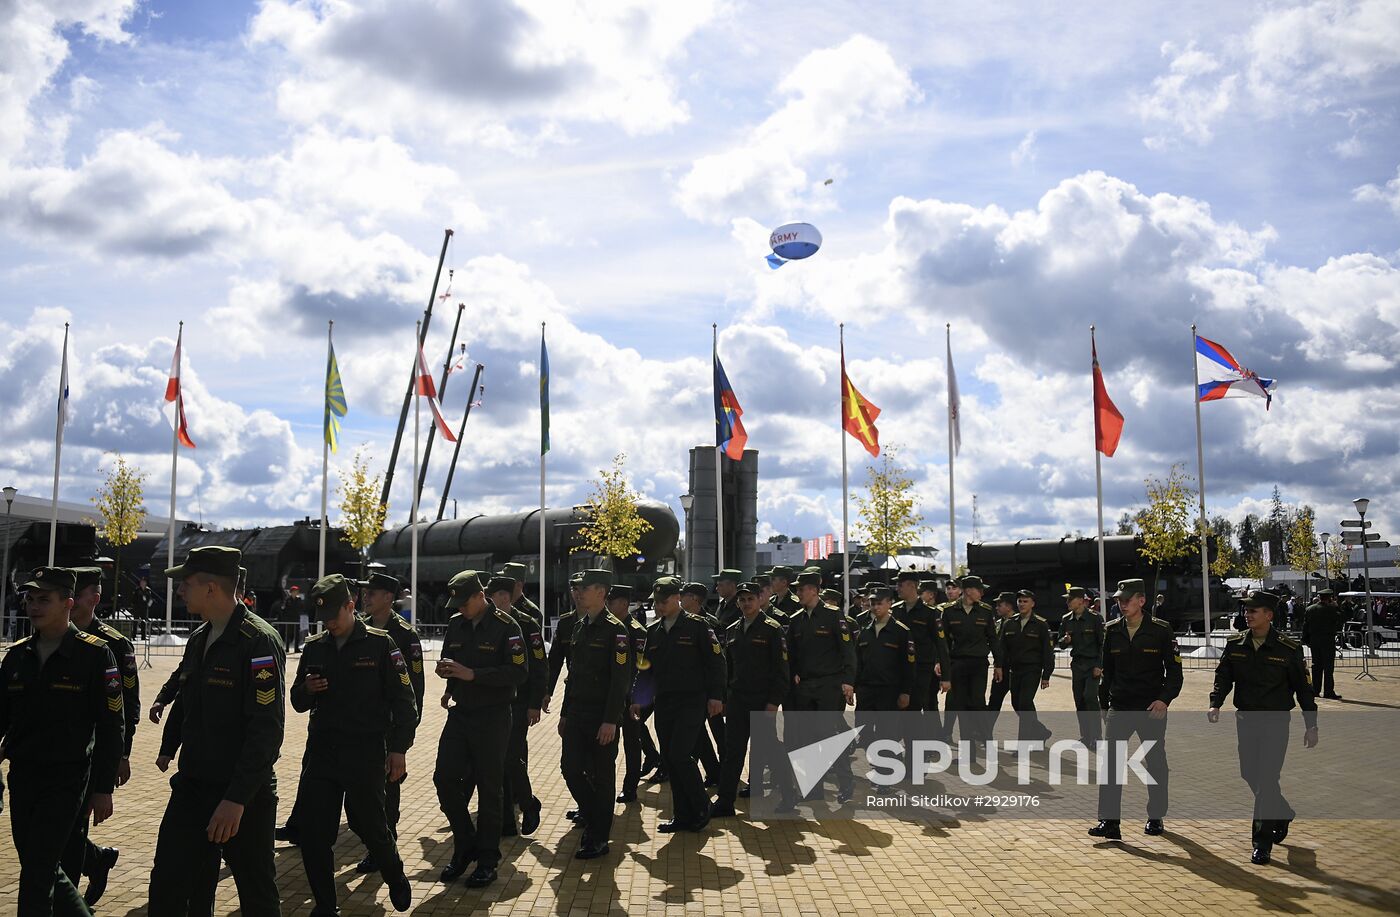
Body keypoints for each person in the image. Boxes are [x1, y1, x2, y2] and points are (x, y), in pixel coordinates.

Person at [148, 546, 286, 916]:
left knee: (256, 892)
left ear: (211, 588)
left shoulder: (258, 642)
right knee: (169, 886)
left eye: (186, 584)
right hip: (193, 785)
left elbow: (266, 730)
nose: (180, 591)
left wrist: (236, 799)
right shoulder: (199, 638)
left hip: (244, 794)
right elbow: (188, 696)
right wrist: (169, 745)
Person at [1, 567, 124, 916]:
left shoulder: (95, 655)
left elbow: (111, 723)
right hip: (23, 777)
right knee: (41, 866)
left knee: (38, 872)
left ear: (68, 603)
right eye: (30, 599)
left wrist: (103, 788)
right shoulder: (18, 656)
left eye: (44, 599)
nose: (33, 606)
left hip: (67, 779)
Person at [290, 574, 414, 913]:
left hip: (365, 752)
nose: (329, 621)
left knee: (372, 827)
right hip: (322, 754)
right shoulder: (315, 646)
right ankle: (325, 906)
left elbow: (404, 700)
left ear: (350, 605)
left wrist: (399, 749)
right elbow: (296, 700)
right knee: (315, 836)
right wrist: (306, 690)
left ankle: (395, 874)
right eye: (323, 616)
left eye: (335, 613)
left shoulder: (380, 644)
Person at [1208, 590, 1319, 865]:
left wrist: (1311, 724)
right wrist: (1215, 702)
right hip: (1246, 720)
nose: (1247, 614)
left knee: (1268, 779)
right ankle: (1282, 811)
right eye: (1246, 610)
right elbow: (1224, 676)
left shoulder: (1288, 648)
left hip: (1276, 722)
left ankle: (1261, 842)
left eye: (1253, 610)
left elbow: (1304, 690)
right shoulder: (1235, 644)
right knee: (1249, 774)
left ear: (1268, 615)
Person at [433, 571, 527, 888]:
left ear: (478, 596)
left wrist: (473, 674)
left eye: (463, 603)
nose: (459, 609)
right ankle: (465, 842)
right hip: (460, 714)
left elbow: (518, 672)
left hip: (493, 716)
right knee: (444, 778)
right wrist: (449, 680)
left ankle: (486, 860)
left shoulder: (506, 626)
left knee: (489, 788)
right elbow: (453, 660)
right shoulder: (457, 624)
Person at [63, 567, 137, 907]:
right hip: (57, 748)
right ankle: (96, 859)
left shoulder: (115, 644)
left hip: (94, 752)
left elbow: (127, 706)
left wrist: (122, 755)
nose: (70, 603)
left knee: (71, 827)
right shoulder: (54, 635)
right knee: (63, 829)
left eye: (76, 596)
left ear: (93, 598)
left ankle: (66, 902)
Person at [344, 571, 426, 872]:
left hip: (389, 728)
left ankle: (384, 851)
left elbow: (415, 688)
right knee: (356, 800)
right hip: (360, 727)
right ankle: (376, 843)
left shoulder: (405, 635)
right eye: (365, 592)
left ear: (389, 598)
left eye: (372, 593)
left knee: (386, 794)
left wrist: (403, 738)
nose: (365, 597)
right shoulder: (359, 629)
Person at [1089, 578, 1183, 841]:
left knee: (1154, 762)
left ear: (1141, 601)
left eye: (1127, 599)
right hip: (1120, 707)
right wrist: (1103, 704)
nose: (1122, 604)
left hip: (1150, 708)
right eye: (1119, 600)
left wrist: (1164, 700)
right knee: (1111, 765)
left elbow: (1175, 673)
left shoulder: (1161, 630)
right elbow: (1107, 672)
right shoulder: (1112, 630)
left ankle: (1156, 815)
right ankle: (1109, 822)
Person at [632, 577, 726, 832]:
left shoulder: (698, 627)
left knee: (680, 754)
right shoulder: (654, 631)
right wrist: (638, 699)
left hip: (692, 701)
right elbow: (645, 669)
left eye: (664, 601)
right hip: (665, 702)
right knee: (671, 760)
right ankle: (683, 815)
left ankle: (702, 805)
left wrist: (716, 696)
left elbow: (716, 663)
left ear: (677, 598)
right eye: (657, 602)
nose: (659, 607)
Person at [558, 569, 630, 860]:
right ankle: (594, 816)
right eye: (576, 588)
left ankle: (599, 836)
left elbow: (620, 681)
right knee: (570, 769)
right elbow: (572, 676)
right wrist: (564, 712)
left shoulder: (617, 631)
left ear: (601, 592)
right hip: (576, 713)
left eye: (583, 588)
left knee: (602, 776)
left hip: (602, 717)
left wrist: (611, 720)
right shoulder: (579, 627)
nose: (578, 593)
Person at [711, 581, 794, 817]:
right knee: (732, 751)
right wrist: (725, 697)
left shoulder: (772, 629)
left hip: (762, 700)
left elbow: (781, 671)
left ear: (759, 600)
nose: (746, 603)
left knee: (771, 750)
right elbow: (728, 668)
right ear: (737, 602)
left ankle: (789, 796)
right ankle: (725, 801)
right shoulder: (733, 630)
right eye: (742, 599)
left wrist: (773, 702)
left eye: (750, 599)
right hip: (738, 700)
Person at [786, 569, 857, 802]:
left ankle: (846, 784)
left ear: (815, 590)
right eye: (796, 588)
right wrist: (794, 674)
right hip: (805, 687)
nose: (797, 592)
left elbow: (848, 652)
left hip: (829, 685)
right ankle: (814, 789)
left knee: (829, 737)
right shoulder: (795, 619)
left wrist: (848, 682)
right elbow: (792, 655)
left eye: (801, 588)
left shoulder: (834, 616)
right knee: (805, 739)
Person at [487, 574, 546, 837]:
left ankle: (528, 803)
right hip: (494, 703)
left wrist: (536, 702)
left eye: (498, 595)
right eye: (491, 595)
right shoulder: (487, 623)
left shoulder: (526, 624)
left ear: (507, 597)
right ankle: (507, 823)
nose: (494, 600)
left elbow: (540, 666)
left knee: (511, 757)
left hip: (520, 701)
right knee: (497, 761)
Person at [941, 576, 1003, 749]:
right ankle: (967, 749)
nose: (982, 593)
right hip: (957, 664)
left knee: (977, 702)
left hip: (978, 664)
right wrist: (942, 665)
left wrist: (999, 664)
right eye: (979, 590)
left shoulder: (985, 610)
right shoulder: (948, 611)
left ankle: (985, 738)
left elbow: (993, 639)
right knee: (960, 705)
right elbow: (943, 642)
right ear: (968, 591)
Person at [854, 586, 915, 762]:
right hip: (866, 692)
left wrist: (906, 692)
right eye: (872, 604)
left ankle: (885, 774)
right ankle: (882, 760)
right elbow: (858, 662)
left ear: (890, 603)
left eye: (879, 603)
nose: (875, 607)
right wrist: (853, 686)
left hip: (889, 692)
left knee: (886, 733)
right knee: (863, 732)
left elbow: (909, 665)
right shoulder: (865, 631)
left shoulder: (901, 631)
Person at [611, 584, 660, 803]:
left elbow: (644, 668)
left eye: (611, 602)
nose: (607, 605)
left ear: (623, 604)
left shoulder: (638, 632)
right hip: (612, 697)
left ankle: (629, 788)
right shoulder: (609, 627)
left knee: (632, 743)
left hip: (630, 698)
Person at [679, 582, 723, 787]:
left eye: (684, 596)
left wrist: (718, 693)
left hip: (708, 689)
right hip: (691, 689)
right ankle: (714, 771)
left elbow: (719, 660)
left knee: (715, 733)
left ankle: (722, 772)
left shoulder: (710, 623)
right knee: (698, 733)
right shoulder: (682, 621)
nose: (680, 599)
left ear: (694, 599)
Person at [999, 589, 1054, 742]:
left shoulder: (1041, 624)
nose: (1022, 604)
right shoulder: (1009, 623)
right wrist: (999, 667)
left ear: (1033, 604)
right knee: (1018, 703)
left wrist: (1046, 675)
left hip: (1032, 670)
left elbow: (1047, 652)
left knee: (1024, 703)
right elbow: (1002, 648)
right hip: (1014, 670)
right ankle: (1040, 732)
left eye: (1025, 601)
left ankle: (1023, 743)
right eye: (1020, 601)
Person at [1059, 586, 1105, 744]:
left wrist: (1099, 665)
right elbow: (1061, 643)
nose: (1067, 602)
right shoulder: (1066, 619)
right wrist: (1064, 641)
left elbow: (1102, 644)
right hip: (1077, 665)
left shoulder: (1095, 618)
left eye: (1070, 599)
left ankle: (1097, 736)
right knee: (1079, 700)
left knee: (1090, 697)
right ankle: (1086, 736)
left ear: (1080, 600)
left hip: (1092, 665)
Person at [1301, 589, 1343, 700]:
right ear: (1329, 598)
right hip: (1327, 641)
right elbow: (1340, 621)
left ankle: (1315, 689)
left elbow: (1305, 626)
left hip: (1314, 641)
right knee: (1328, 668)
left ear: (1319, 597)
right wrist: (1337, 607)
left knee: (1316, 666)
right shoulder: (1332, 609)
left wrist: (1305, 640)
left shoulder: (1310, 609)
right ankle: (1328, 691)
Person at [499, 562, 544, 628]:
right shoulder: (501, 605)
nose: (503, 585)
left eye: (507, 582)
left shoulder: (532, 611)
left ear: (519, 585)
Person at [766, 566, 801, 630]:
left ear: (784, 582)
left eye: (773, 579)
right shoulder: (770, 601)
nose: (770, 583)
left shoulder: (796, 603)